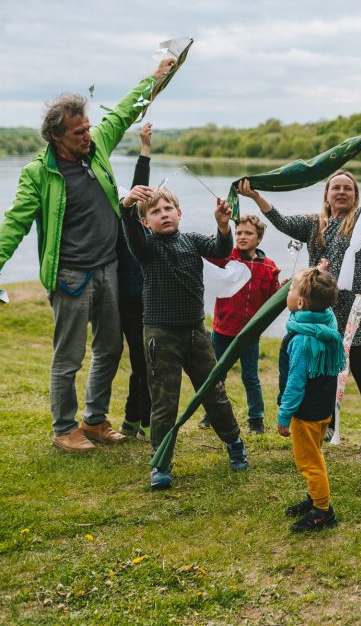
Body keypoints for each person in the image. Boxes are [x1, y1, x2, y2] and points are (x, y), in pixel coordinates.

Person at [0, 57, 176, 452]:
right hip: (70, 275)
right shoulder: (38, 173)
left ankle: (95, 420)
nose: (87, 135)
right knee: (68, 356)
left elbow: (124, 109)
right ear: (56, 137)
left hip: (108, 269)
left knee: (109, 348)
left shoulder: (97, 146)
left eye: (87, 128)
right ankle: (64, 428)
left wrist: (156, 78)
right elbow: (16, 222)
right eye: (78, 132)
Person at [237, 126, 361, 451]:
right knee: (323, 370)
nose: (342, 192)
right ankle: (326, 429)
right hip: (321, 309)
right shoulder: (312, 223)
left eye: (348, 188)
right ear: (326, 194)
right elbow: (278, 220)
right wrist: (255, 196)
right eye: (336, 187)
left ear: (354, 195)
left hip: (356, 307)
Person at [120, 186, 249, 490]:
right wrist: (127, 207)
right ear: (146, 222)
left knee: (214, 394)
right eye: (155, 212)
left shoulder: (192, 241)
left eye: (168, 209)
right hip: (160, 335)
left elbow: (220, 250)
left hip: (196, 333)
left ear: (179, 213)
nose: (163, 215)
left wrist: (222, 225)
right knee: (164, 402)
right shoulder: (146, 246)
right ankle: (160, 461)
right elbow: (131, 235)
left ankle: (234, 443)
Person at [277, 266, 346, 531]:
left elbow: (295, 383)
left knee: (309, 462)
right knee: (315, 453)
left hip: (304, 413)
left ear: (300, 302)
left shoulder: (300, 340)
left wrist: (285, 416)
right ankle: (313, 497)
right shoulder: (328, 322)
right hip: (324, 409)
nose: (289, 291)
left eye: (291, 290)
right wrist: (318, 275)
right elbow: (322, 301)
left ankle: (322, 511)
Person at [205, 214, 281, 434]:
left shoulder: (269, 267)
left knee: (250, 377)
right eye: (238, 233)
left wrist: (282, 287)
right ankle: (211, 414)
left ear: (259, 238)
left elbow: (273, 297)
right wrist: (216, 241)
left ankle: (256, 420)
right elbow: (209, 261)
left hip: (249, 333)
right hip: (222, 328)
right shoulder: (226, 257)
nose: (242, 237)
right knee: (216, 373)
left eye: (248, 233)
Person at [117, 123, 154, 441]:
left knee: (145, 365)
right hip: (123, 304)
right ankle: (133, 421)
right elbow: (134, 192)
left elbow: (139, 190)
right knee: (138, 364)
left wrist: (145, 147)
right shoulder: (122, 226)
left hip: (147, 304)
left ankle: (139, 421)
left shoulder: (147, 232)